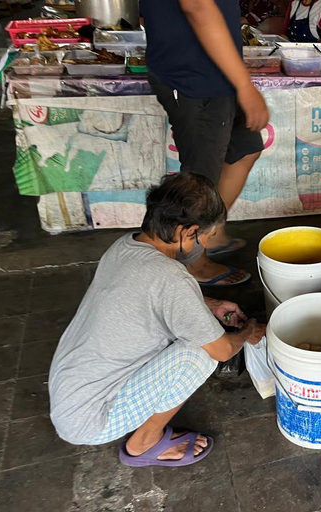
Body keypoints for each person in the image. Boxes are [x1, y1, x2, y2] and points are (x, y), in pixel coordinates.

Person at [49, 174, 266, 467]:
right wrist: (248, 332)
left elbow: (149, 294)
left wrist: (211, 304)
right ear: (185, 232)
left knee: (195, 331)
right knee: (199, 353)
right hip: (91, 420)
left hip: (69, 394)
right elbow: (223, 350)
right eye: (203, 237)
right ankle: (144, 444)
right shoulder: (171, 278)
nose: (203, 244)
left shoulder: (125, 245)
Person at [142, 0, 270, 287]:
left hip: (218, 75)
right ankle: (191, 262)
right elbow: (198, 6)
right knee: (200, 181)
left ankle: (207, 233)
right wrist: (245, 86)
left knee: (246, 149)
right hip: (193, 79)